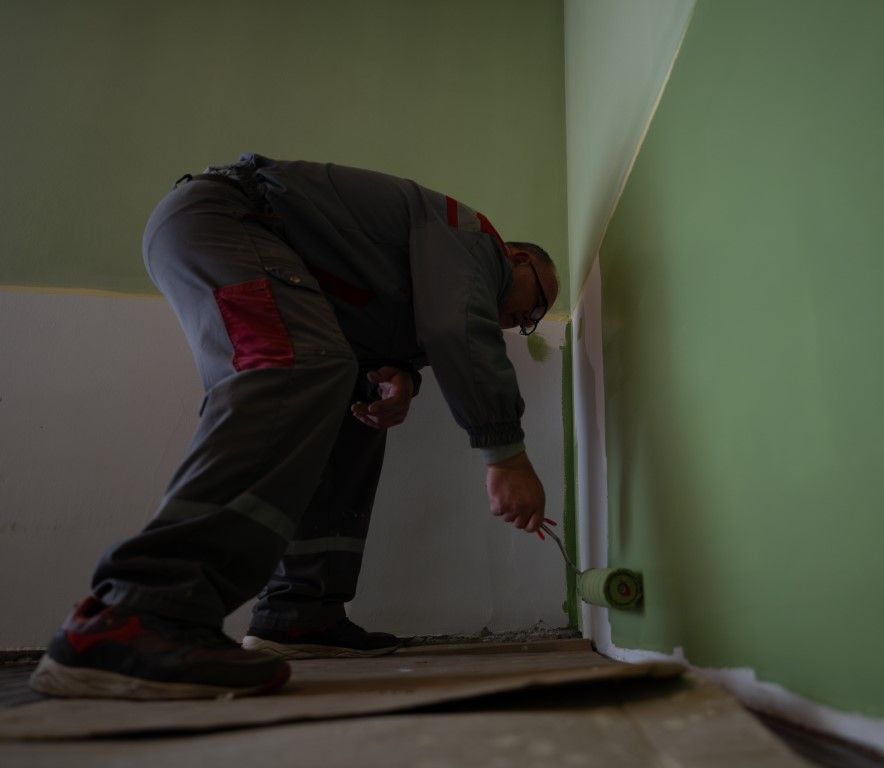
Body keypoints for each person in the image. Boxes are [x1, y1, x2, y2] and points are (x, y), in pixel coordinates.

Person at [29, 154, 560, 700]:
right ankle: (138, 614)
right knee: (297, 368)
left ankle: (302, 612)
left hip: (243, 238)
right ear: (515, 257)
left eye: (532, 322)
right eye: (535, 305)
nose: (523, 322)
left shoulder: (425, 269)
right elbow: (455, 326)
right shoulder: (474, 239)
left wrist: (399, 378)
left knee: (353, 402)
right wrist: (507, 456)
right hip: (228, 218)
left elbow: (386, 335)